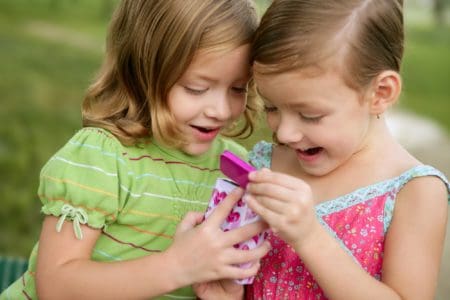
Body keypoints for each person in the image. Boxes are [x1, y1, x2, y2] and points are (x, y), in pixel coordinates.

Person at [0, 0, 271, 299]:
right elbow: (56, 286)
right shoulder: (102, 158)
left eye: (238, 89)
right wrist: (177, 266)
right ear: (141, 73)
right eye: (196, 88)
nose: (220, 110)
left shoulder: (232, 168)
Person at [240, 0, 450, 299]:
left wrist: (311, 237)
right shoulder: (265, 164)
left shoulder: (415, 191)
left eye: (309, 115)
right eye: (271, 107)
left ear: (380, 93)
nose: (284, 132)